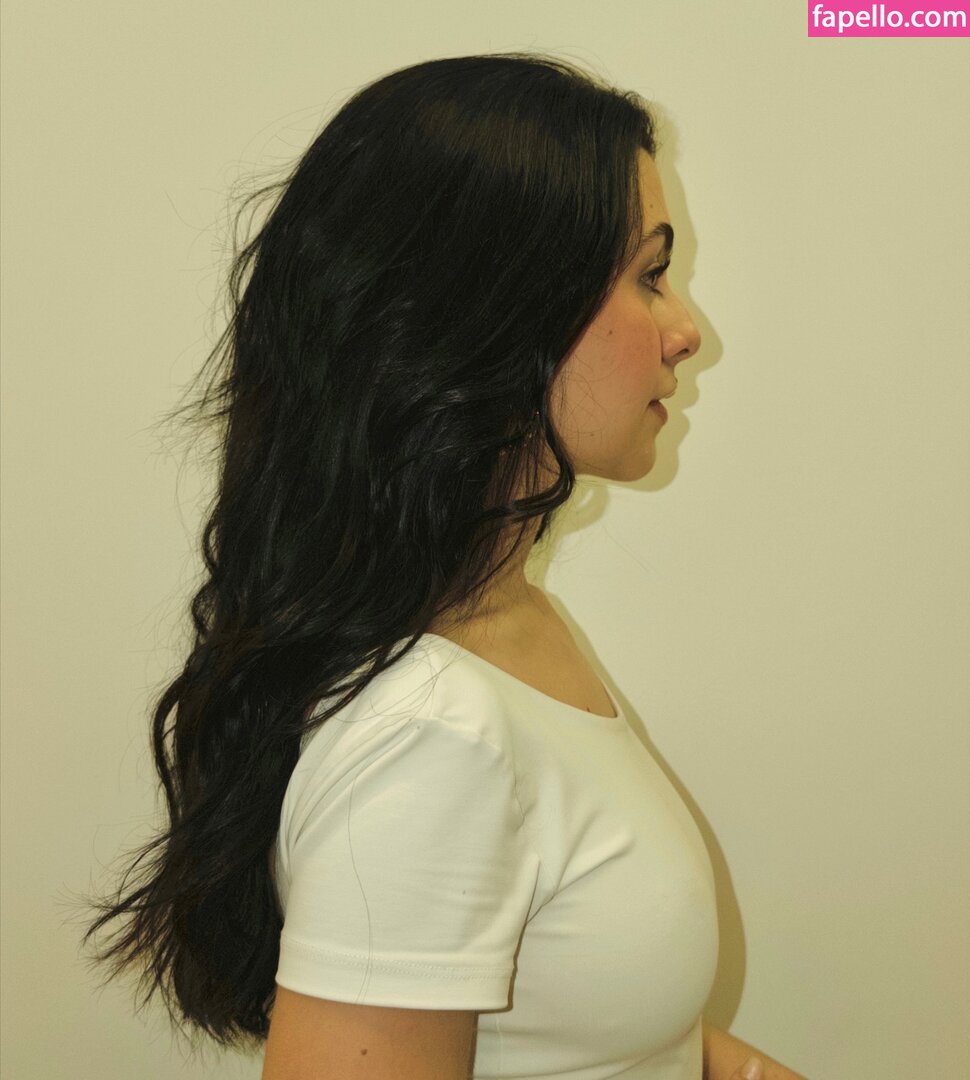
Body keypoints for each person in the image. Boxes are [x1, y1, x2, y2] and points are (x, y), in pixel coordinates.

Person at [81, 52, 805, 1080]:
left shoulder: (508, 629)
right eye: (649, 274)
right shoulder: (430, 730)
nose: (686, 332)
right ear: (497, 312)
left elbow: (603, 1037)